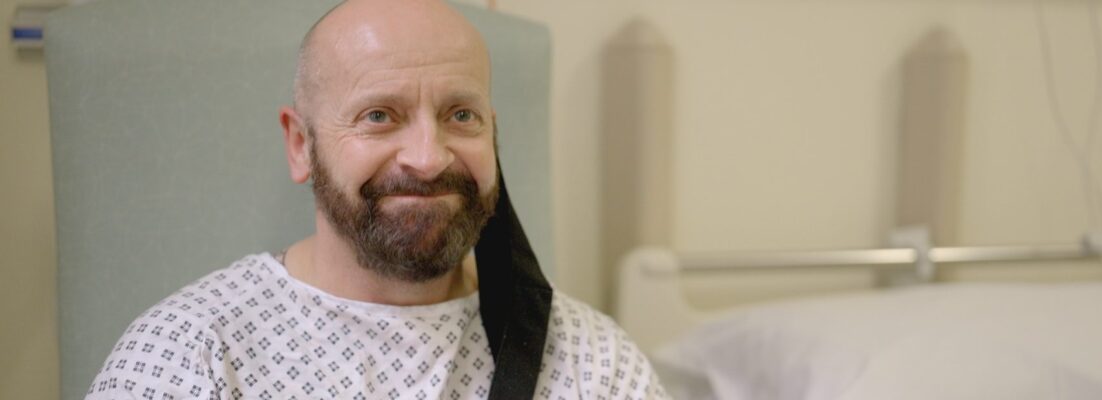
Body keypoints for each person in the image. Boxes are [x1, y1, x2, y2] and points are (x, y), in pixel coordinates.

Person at [84, 0, 666, 398]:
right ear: (299, 145)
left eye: (460, 115)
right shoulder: (192, 358)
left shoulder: (592, 364)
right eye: (379, 116)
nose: (428, 156)